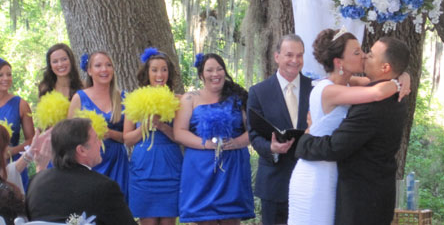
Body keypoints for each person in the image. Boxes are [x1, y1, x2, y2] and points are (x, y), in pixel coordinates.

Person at [288, 29, 410, 225]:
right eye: (358, 52)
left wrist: (402, 76)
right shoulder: (330, 90)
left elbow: (376, 87)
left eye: (367, 53)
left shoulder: (355, 88)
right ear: (339, 62)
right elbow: (377, 91)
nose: (363, 56)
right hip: (317, 171)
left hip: (339, 175)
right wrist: (397, 81)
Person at [174, 53, 254, 224]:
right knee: (205, 219)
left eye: (219, 69)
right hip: (201, 169)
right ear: (201, 74)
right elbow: (179, 132)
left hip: (232, 168)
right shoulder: (190, 98)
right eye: (209, 70)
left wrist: (237, 142)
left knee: (231, 219)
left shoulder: (239, 98)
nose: (215, 74)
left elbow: (253, 131)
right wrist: (206, 144)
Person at [247, 34, 313, 225]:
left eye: (299, 55)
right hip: (274, 182)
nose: (295, 60)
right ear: (277, 56)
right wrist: (271, 148)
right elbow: (254, 134)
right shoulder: (259, 92)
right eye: (289, 55)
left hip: (309, 180)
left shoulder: (315, 89)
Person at [26, 118, 136, 225]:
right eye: (96, 139)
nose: (100, 143)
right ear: (81, 150)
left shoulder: (35, 182)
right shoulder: (104, 187)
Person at [124, 48, 183, 225]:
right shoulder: (135, 100)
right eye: (154, 69)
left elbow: (181, 137)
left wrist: (161, 125)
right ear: (147, 73)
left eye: (164, 69)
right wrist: (146, 127)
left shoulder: (178, 100)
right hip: (144, 166)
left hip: (170, 166)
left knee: (168, 221)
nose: (160, 74)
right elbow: (127, 140)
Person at [68, 51, 128, 198]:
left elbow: (129, 137)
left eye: (108, 65)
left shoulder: (124, 98)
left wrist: (110, 133)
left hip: (117, 162)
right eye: (98, 65)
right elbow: (68, 136)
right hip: (89, 161)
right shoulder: (79, 98)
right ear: (89, 71)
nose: (104, 69)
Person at [0, 58, 35, 190]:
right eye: (1, 75)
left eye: (9, 74)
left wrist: (12, 150)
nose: (6, 78)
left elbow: (31, 140)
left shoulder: (21, 104)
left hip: (14, 166)